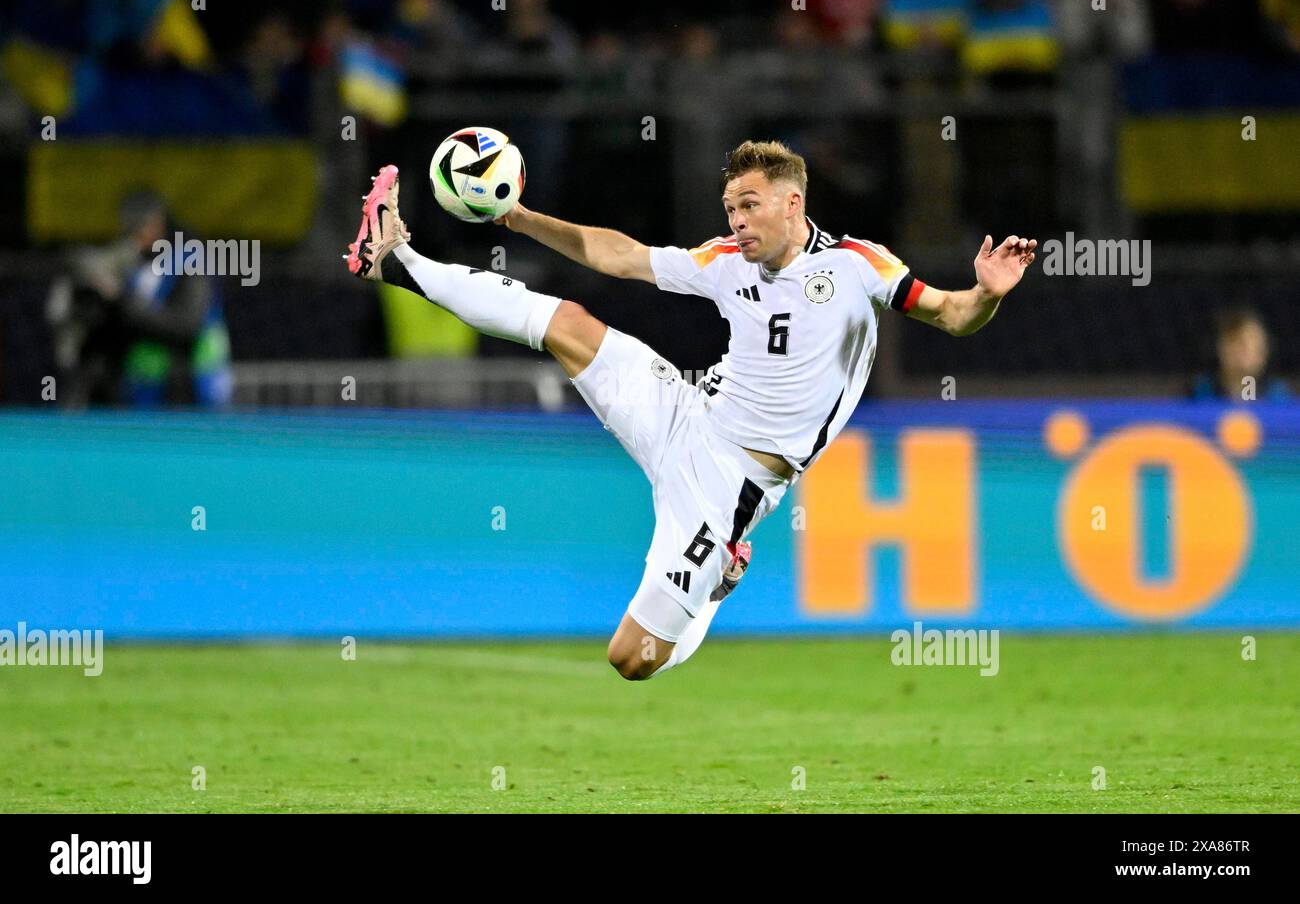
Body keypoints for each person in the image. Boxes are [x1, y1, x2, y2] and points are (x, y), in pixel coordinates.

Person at [345, 141, 1036, 680]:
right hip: (685, 412)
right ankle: (396, 259)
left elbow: (951, 314)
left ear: (793, 203)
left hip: (728, 487)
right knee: (570, 325)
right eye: (731, 207)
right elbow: (620, 257)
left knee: (633, 657)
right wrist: (519, 218)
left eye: (751, 205)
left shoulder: (860, 265)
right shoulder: (725, 260)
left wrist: (989, 294)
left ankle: (715, 585)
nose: (737, 221)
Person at [47, 193, 232, 408]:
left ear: (158, 222)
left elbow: (184, 325)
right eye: (128, 227)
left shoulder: (191, 261)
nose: (133, 236)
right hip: (145, 390)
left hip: (194, 387)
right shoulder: (134, 263)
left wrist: (118, 298)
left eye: (140, 226)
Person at [1190, 307, 1291, 402]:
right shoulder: (1202, 392)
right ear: (1221, 348)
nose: (1247, 351)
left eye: (1254, 344)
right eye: (1238, 343)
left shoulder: (1277, 394)